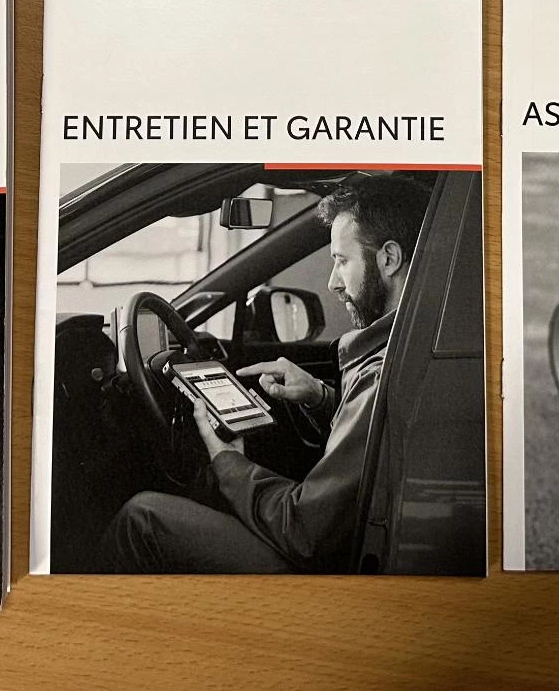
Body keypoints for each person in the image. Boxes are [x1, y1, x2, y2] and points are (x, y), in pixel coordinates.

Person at [103, 177, 433, 573]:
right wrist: (320, 397)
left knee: (142, 519)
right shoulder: (412, 346)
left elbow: (305, 531)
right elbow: (379, 444)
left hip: (330, 573)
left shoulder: (382, 373)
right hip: (347, 548)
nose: (332, 282)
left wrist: (227, 461)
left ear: (389, 258)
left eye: (342, 261)